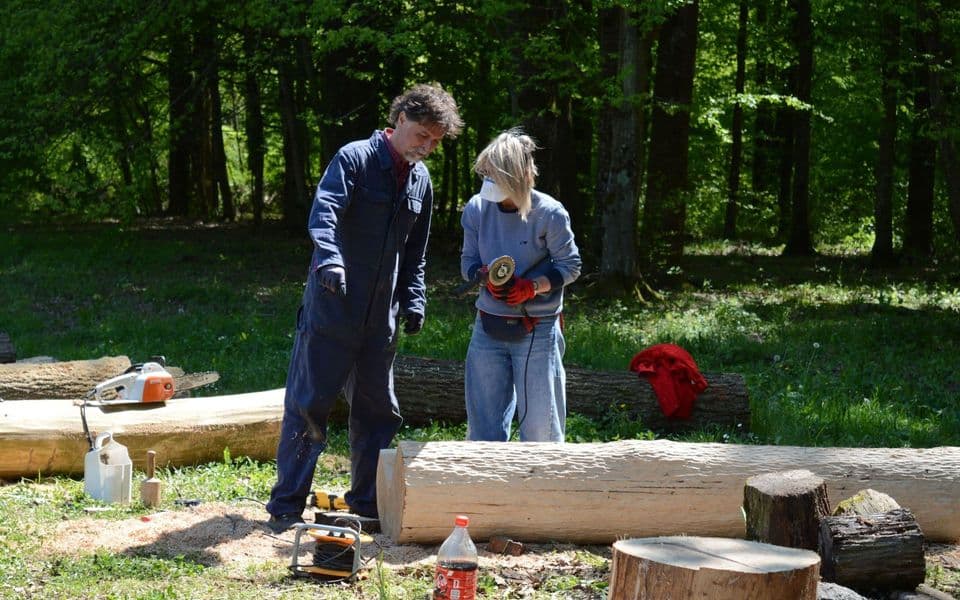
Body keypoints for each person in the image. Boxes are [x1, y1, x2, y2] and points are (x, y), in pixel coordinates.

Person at [266, 83, 463, 533]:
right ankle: (285, 507)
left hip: (381, 321)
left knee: (378, 411)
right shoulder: (354, 159)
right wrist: (330, 261)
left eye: (436, 142)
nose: (427, 147)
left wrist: (414, 297)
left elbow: (416, 252)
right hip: (332, 309)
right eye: (422, 136)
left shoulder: (421, 181)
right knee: (309, 406)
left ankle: (366, 505)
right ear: (400, 121)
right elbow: (326, 212)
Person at [460, 129, 581, 443]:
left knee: (541, 430)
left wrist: (533, 287)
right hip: (488, 325)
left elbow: (570, 266)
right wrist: (482, 275)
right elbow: (467, 263)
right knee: (483, 430)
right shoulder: (476, 208)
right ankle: (486, 489)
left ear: (522, 177)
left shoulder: (550, 213)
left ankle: (543, 487)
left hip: (538, 328)